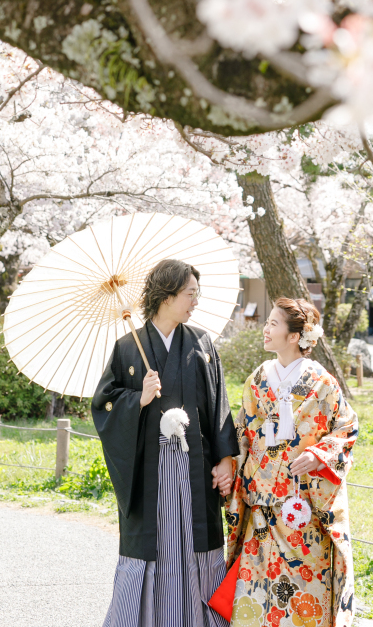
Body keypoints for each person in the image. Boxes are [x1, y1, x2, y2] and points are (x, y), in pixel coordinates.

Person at [93, 258, 239, 627]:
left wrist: (225, 459)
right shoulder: (129, 348)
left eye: (197, 295)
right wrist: (137, 400)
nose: (195, 302)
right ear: (166, 295)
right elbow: (103, 405)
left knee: (197, 543)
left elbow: (218, 405)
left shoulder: (202, 343)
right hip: (150, 468)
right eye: (190, 294)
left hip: (195, 465)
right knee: (151, 544)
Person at [224, 298, 358, 627]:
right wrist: (231, 460)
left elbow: (346, 428)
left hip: (302, 511)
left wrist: (318, 454)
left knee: (302, 597)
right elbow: (241, 428)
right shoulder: (258, 378)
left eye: (273, 323)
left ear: (295, 336)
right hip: (260, 504)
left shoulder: (322, 382)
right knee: (253, 594)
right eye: (267, 322)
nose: (265, 329)